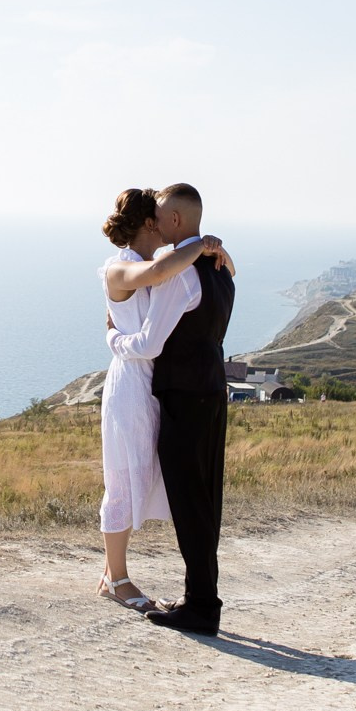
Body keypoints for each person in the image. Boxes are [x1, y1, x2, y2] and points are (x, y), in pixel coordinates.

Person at [95, 187, 229, 615]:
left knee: (142, 477)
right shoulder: (120, 269)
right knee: (122, 481)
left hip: (155, 386)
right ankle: (117, 578)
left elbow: (171, 275)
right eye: (157, 215)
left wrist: (208, 247)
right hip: (133, 385)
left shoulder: (166, 264)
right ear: (151, 224)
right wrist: (116, 340)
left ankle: (111, 572)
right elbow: (156, 279)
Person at [142, 183, 236, 637]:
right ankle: (201, 597)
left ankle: (201, 607)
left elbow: (153, 341)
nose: (153, 224)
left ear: (176, 220)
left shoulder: (178, 273)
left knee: (189, 501)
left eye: (158, 217)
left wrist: (113, 336)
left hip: (184, 396)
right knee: (206, 499)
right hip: (213, 390)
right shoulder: (220, 267)